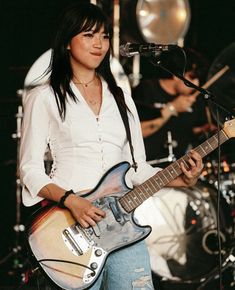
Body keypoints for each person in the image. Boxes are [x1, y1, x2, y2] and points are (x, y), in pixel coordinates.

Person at [19, 2, 203, 290]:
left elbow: (137, 168)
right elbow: (29, 169)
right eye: (89, 35)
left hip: (123, 227)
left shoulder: (121, 97)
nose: (99, 44)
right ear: (68, 41)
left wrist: (182, 179)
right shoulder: (45, 97)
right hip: (71, 226)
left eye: (104, 36)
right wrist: (71, 201)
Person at [132, 48, 214, 167]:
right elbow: (138, 132)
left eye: (198, 79)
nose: (196, 84)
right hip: (147, 167)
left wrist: (204, 130)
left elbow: (189, 131)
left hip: (176, 170)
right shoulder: (147, 89)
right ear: (177, 75)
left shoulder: (195, 99)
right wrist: (172, 108)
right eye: (192, 77)